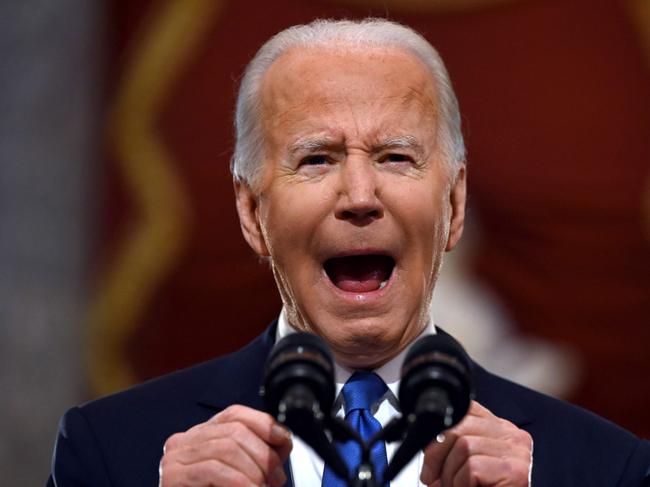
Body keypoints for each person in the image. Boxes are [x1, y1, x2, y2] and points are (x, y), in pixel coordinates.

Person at [48, 18, 650, 487]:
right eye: (317, 159)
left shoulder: (600, 466)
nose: (360, 197)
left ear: (455, 204)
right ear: (252, 213)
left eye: (395, 157)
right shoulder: (113, 450)